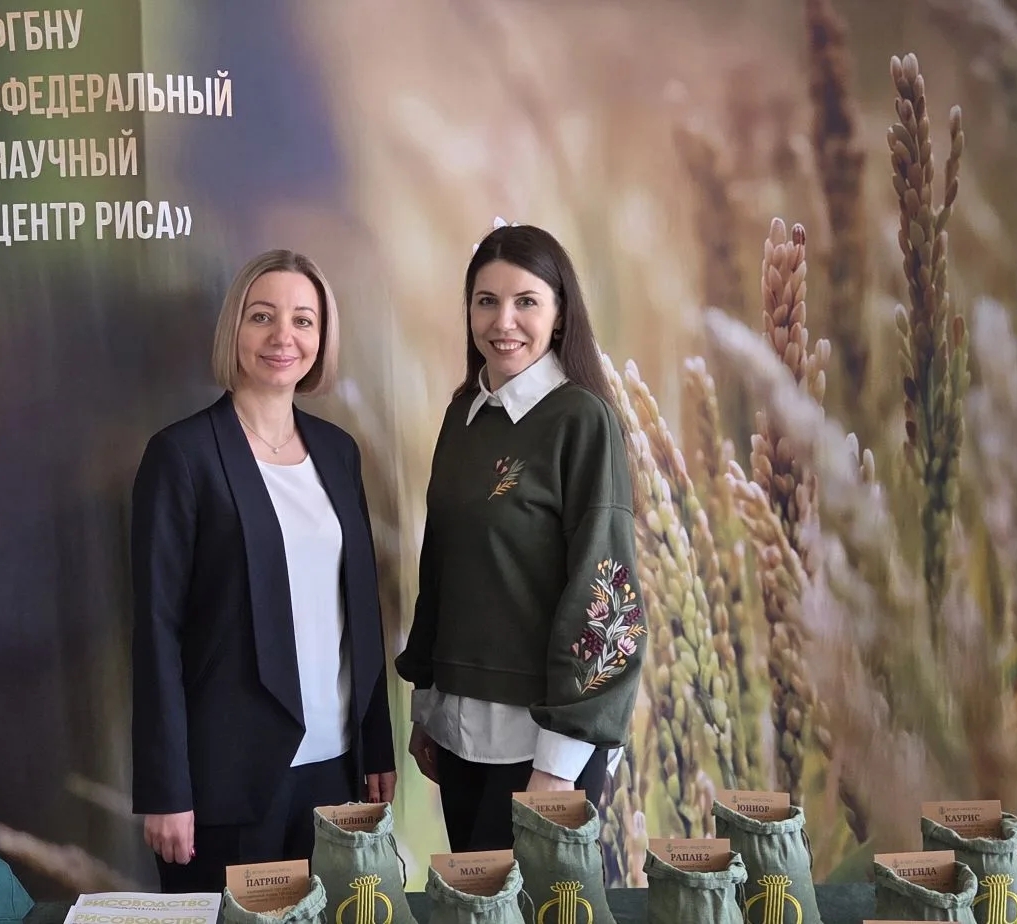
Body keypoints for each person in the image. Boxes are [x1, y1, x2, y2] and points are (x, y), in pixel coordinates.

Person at [130, 249, 397, 893]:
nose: (284, 336)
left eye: (304, 320)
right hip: (227, 781)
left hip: (336, 770)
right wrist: (166, 789)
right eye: (262, 316)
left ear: (321, 338)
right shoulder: (181, 455)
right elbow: (157, 631)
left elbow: (360, 614)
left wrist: (377, 745)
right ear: (235, 329)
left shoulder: (338, 452)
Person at [395, 223, 646, 853]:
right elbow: (442, 566)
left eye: (525, 301)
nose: (502, 321)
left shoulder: (582, 420)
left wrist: (559, 765)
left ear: (559, 315)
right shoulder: (462, 415)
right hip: (457, 735)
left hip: (543, 746)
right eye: (486, 301)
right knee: (469, 900)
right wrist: (428, 704)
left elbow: (607, 594)